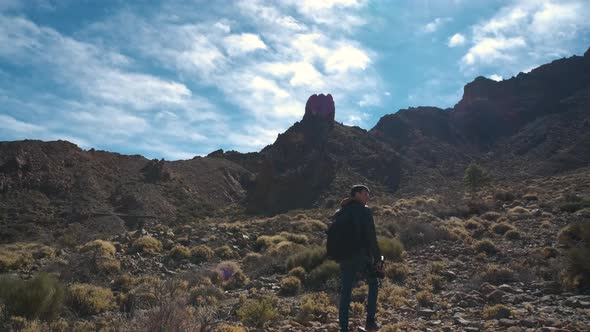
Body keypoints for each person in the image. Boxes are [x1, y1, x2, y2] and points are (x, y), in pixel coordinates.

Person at [337, 184, 381, 332]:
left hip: (345, 258)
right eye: (364, 193)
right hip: (363, 257)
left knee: (346, 292)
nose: (367, 196)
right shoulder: (365, 211)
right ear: (355, 194)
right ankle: (370, 322)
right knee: (374, 284)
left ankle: (343, 328)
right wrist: (379, 258)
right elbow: (371, 237)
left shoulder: (341, 211)